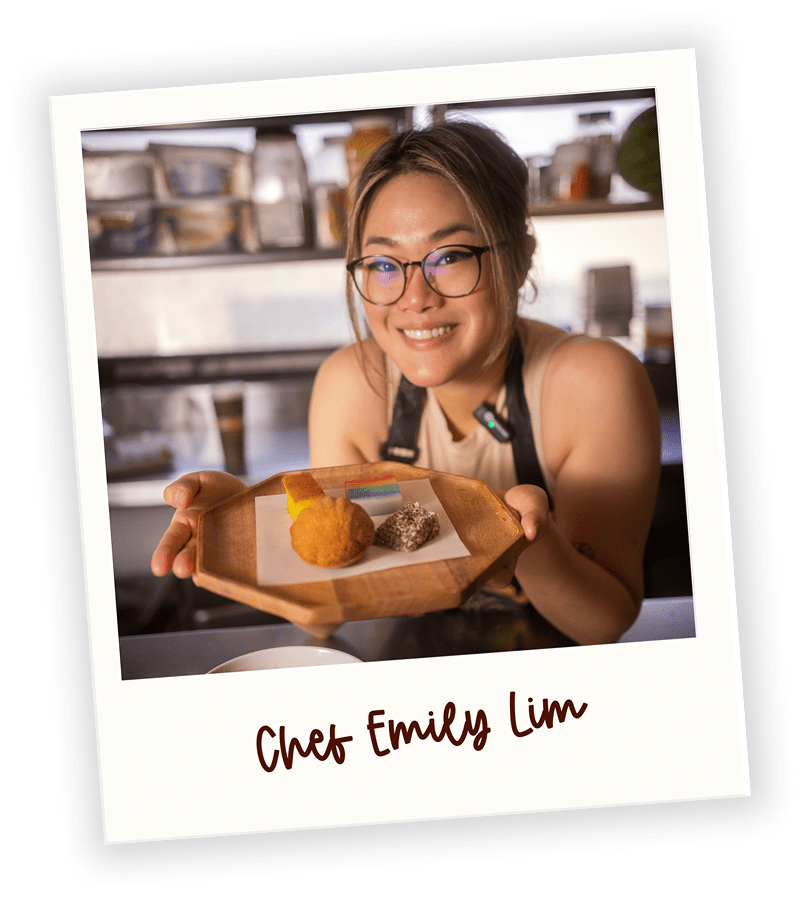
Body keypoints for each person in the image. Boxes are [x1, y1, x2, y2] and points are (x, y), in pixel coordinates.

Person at [151, 120, 661, 646]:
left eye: (450, 257)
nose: (415, 298)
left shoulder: (593, 383)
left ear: (520, 258)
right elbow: (323, 615)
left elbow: (603, 624)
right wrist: (250, 526)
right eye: (383, 264)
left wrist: (530, 540)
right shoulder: (355, 386)